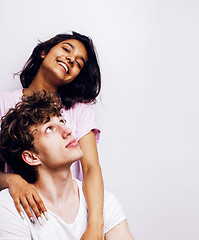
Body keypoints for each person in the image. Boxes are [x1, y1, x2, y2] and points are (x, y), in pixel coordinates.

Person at [0, 31, 104, 239]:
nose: (70, 60)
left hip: (72, 217)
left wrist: (95, 225)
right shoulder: (3, 104)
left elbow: (91, 167)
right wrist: (13, 181)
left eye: (78, 63)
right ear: (44, 52)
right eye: (66, 49)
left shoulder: (79, 109)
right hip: (22, 215)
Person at [0, 91, 134, 240]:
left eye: (62, 121)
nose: (68, 131)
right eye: (49, 129)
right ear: (31, 157)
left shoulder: (105, 203)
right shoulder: (10, 207)